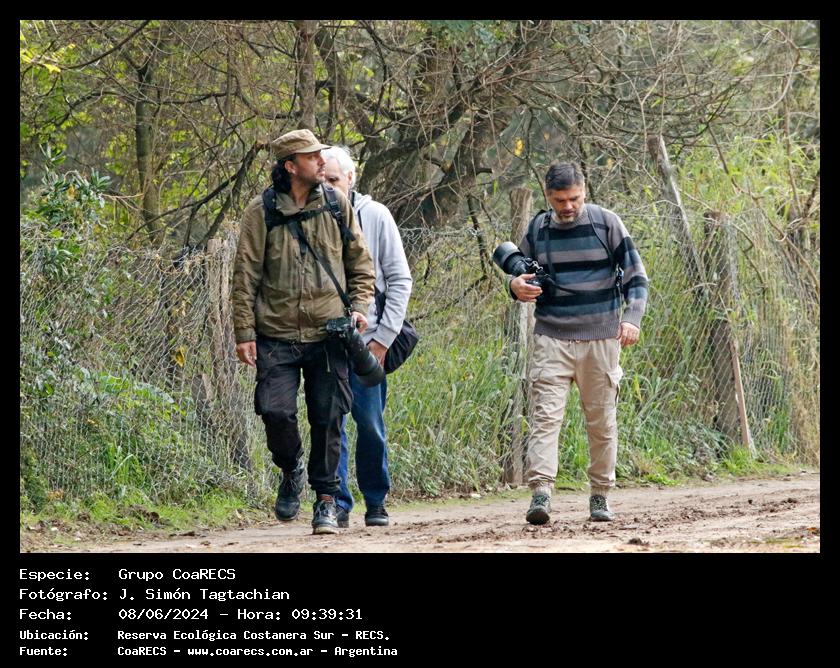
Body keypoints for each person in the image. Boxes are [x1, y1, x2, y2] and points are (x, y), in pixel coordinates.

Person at [232, 129, 375, 535]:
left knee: (329, 418)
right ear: (291, 166)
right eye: (312, 157)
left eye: (321, 155)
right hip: (275, 332)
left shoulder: (336, 203)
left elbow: (360, 263)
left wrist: (359, 308)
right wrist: (244, 331)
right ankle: (290, 467)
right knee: (275, 411)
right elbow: (245, 276)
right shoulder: (260, 211)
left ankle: (326, 500)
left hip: (328, 333)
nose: (321, 162)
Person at [507, 162, 648, 524]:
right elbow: (521, 272)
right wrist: (515, 286)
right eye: (560, 200)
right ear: (547, 196)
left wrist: (631, 319)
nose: (568, 206)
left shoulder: (606, 224)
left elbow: (637, 278)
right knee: (544, 418)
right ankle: (541, 493)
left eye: (574, 198)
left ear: (584, 191)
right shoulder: (538, 228)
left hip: (601, 338)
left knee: (601, 422)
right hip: (551, 336)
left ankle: (600, 495)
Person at [321, 145, 413, 528]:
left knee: (371, 425)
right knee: (331, 425)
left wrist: (384, 338)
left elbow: (400, 279)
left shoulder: (375, 215)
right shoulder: (307, 216)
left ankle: (376, 500)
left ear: (350, 178)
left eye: (333, 179)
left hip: (368, 342)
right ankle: (337, 503)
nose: (327, 187)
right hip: (324, 341)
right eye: (321, 179)